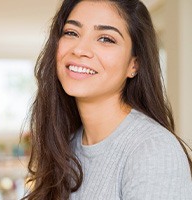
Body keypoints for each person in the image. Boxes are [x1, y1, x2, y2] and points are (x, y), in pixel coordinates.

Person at [22, 0, 192, 199]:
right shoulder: (65, 147)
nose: (80, 49)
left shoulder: (153, 150)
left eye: (105, 39)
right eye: (71, 32)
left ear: (134, 65)